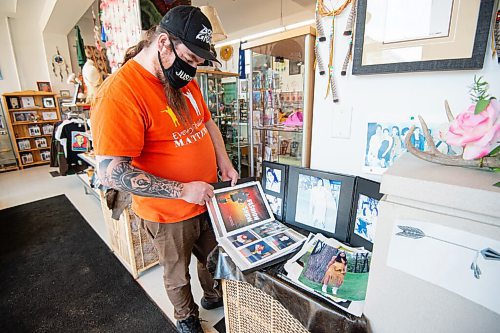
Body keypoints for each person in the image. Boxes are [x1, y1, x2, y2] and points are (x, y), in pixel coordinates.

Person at [90, 6, 238, 333]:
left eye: (199, 62)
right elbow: (112, 173)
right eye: (190, 58)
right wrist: (184, 190)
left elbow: (207, 122)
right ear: (163, 44)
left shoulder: (182, 80)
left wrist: (223, 161)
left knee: (214, 256)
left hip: (207, 197)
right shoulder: (119, 93)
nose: (193, 69)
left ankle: (213, 296)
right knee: (176, 271)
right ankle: (186, 318)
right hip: (167, 213)